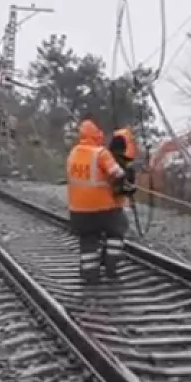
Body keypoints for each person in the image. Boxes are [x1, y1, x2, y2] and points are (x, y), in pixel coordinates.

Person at [66, 119, 131, 283]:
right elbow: (118, 174)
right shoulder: (100, 153)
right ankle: (111, 266)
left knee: (88, 240)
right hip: (103, 208)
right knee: (117, 229)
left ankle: (90, 274)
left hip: (78, 210)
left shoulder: (73, 153)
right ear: (96, 135)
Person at [108, 126, 138, 198]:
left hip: (119, 152)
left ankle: (123, 185)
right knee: (125, 169)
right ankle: (122, 186)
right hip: (120, 153)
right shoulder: (125, 134)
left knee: (126, 168)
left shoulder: (121, 134)